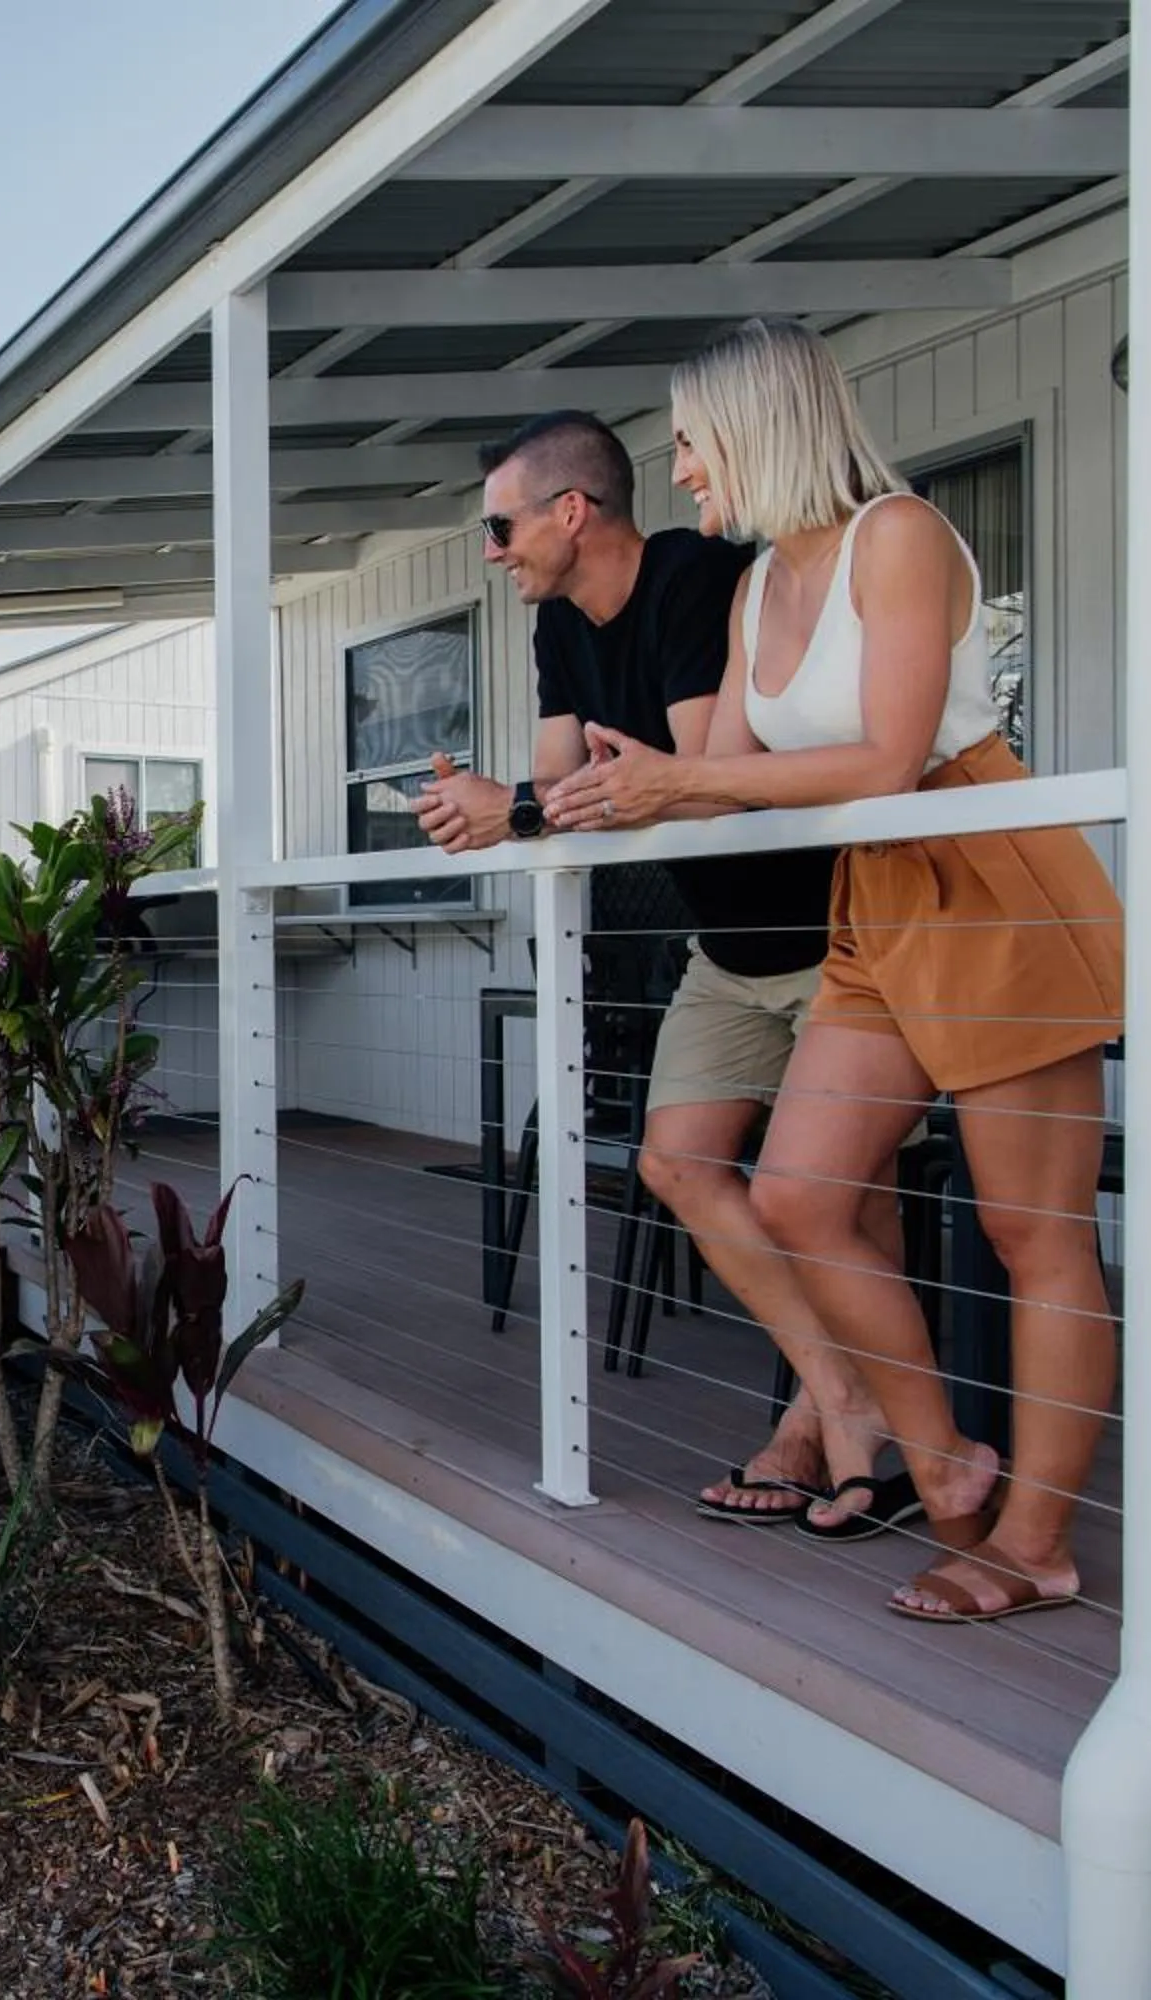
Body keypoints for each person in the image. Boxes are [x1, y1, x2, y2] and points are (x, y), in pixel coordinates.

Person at [543, 316, 1124, 1625]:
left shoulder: (899, 536)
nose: (683, 470)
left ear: (760, 424)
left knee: (1037, 1236)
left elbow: (885, 755)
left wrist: (682, 774)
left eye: (693, 441)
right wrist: (583, 803)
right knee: (802, 1193)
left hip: (987, 869)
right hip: (875, 893)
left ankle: (1033, 1541)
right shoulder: (757, 587)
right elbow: (724, 786)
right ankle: (947, 1464)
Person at [414, 410, 911, 1539]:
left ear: (570, 512)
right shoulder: (559, 632)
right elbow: (560, 802)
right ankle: (845, 1400)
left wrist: (529, 807)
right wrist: (487, 806)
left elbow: (704, 784)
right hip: (727, 954)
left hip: (836, 934)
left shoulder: (695, 579)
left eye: (501, 526)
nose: (491, 552)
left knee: (848, 1201)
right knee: (678, 1163)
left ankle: (824, 1434)